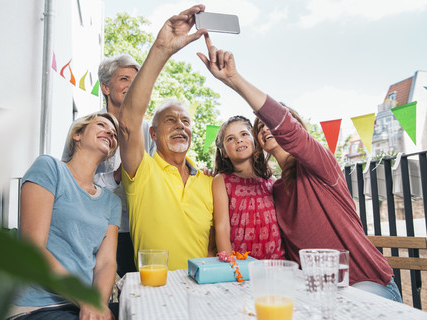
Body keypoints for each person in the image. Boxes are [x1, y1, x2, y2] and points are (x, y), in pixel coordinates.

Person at [198, 34, 402, 302]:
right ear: (260, 144)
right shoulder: (275, 189)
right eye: (260, 127)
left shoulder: (320, 165)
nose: (266, 128)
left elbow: (287, 129)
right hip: (313, 294)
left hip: (365, 284)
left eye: (270, 123)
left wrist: (234, 80)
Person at [118, 5, 215, 271]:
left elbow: (212, 244)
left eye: (186, 121)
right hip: (153, 294)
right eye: (170, 120)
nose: (180, 126)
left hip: (201, 295)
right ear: (152, 132)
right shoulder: (142, 169)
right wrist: (162, 49)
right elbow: (127, 121)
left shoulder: (208, 181)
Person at [9, 113, 121, 319]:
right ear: (77, 134)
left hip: (81, 306)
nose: (110, 133)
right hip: (35, 307)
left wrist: (96, 305)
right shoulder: (49, 168)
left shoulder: (112, 202)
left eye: (114, 134)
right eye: (101, 125)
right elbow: (33, 248)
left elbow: (106, 263)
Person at [61, 54, 156, 278]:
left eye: (136, 80)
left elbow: (156, 176)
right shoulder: (84, 127)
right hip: (95, 228)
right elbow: (69, 180)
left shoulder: (148, 130)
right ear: (105, 87)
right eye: (124, 79)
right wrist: (114, 177)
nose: (132, 86)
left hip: (136, 228)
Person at [212, 115, 285, 260]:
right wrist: (232, 266)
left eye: (244, 134)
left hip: (276, 263)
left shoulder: (271, 181)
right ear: (224, 152)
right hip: (241, 264)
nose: (239, 140)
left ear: (255, 141)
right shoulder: (221, 181)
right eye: (230, 138)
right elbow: (222, 228)